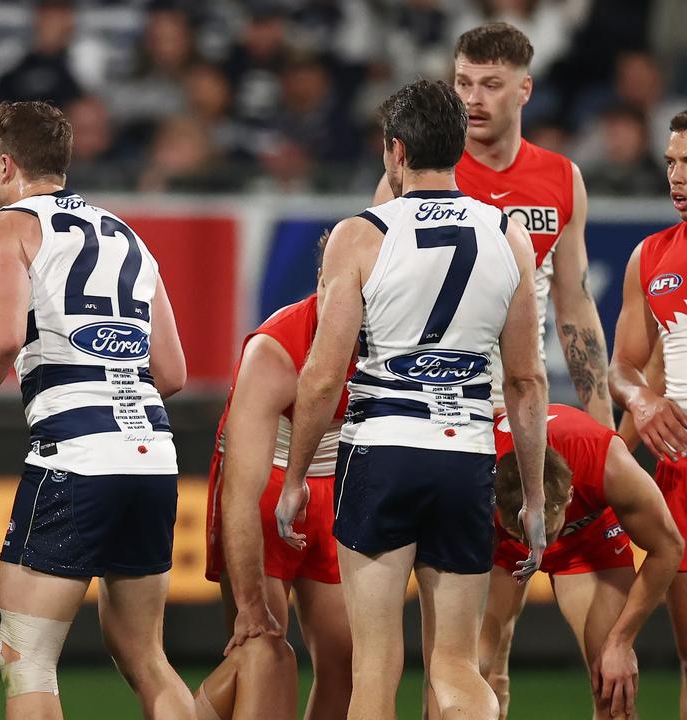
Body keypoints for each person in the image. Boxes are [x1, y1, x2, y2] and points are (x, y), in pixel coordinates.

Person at [0, 100, 195, 720]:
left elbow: (4, 335)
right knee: (147, 657)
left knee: (28, 657)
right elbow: (172, 372)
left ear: (6, 165)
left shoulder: (6, 226)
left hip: (75, 452)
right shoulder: (128, 236)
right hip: (152, 453)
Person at [280, 78, 549, 720]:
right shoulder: (508, 234)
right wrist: (535, 496)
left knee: (376, 667)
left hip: (382, 452)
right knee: (456, 661)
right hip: (465, 457)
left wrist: (295, 476)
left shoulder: (361, 235)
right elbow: (527, 380)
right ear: (457, 147)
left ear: (395, 150)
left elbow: (322, 375)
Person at [373, 22, 613, 429]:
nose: (472, 99)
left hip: (519, 407)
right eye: (463, 83)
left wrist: (603, 423)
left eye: (491, 85)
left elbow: (575, 304)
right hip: (427, 402)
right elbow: (373, 292)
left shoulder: (562, 178)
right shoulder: (415, 172)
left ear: (525, 90)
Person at [203, 234, 352, 720]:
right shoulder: (276, 350)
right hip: (267, 480)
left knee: (348, 662)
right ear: (320, 283)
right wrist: (247, 603)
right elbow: (241, 491)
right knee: (264, 650)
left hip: (338, 487)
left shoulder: (394, 338)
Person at [481, 404, 683, 719]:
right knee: (466, 672)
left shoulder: (606, 464)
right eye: (525, 533)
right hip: (501, 548)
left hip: (587, 541)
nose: (537, 546)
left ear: (571, 495)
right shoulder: (476, 473)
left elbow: (669, 546)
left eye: (543, 533)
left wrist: (621, 642)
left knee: (613, 687)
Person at [609, 109, 687, 720]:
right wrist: (641, 399)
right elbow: (624, 368)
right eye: (670, 163)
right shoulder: (651, 256)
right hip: (680, 474)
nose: (677, 177)